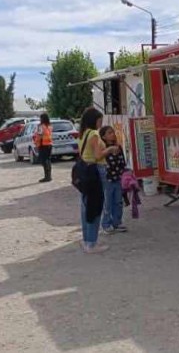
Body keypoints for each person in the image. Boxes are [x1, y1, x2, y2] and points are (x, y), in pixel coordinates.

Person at [78, 107, 120, 254]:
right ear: (94, 120)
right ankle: (92, 243)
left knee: (86, 206)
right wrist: (110, 149)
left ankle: (86, 240)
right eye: (99, 120)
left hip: (84, 170)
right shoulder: (94, 134)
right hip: (96, 171)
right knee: (95, 207)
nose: (101, 122)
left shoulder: (83, 133)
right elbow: (97, 155)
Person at [99, 126, 128, 234]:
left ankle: (117, 222)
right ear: (103, 136)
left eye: (113, 132)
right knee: (108, 203)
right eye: (109, 133)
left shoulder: (118, 147)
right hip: (108, 180)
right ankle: (106, 224)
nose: (112, 134)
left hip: (118, 179)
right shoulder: (103, 149)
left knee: (118, 202)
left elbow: (122, 163)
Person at [35, 114, 53, 183]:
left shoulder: (41, 126)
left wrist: (36, 143)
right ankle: (49, 176)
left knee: (43, 161)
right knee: (48, 160)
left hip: (43, 145)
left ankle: (47, 177)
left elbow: (39, 136)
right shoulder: (49, 126)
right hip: (49, 144)